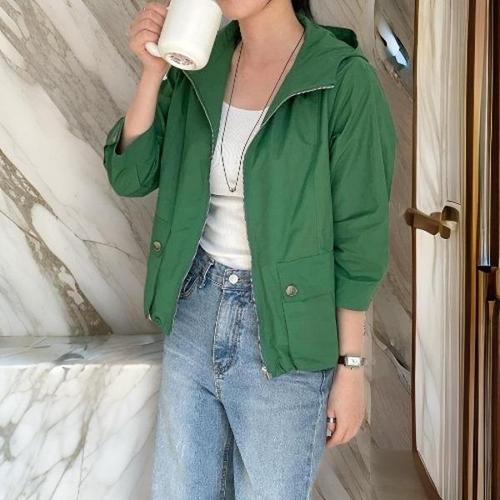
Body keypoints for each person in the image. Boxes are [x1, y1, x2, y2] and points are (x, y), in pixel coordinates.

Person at [102, 0, 397, 498]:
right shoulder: (199, 63)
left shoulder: (343, 80)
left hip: (285, 329)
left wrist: (350, 368)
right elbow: (131, 175)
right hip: (194, 308)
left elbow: (359, 236)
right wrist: (153, 73)